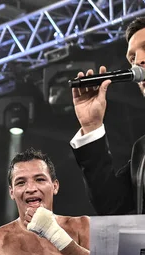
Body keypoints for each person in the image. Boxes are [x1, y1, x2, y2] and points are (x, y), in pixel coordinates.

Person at [71, 17, 145, 215]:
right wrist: (91, 125)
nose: (138, 61)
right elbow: (110, 205)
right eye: (132, 58)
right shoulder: (143, 151)